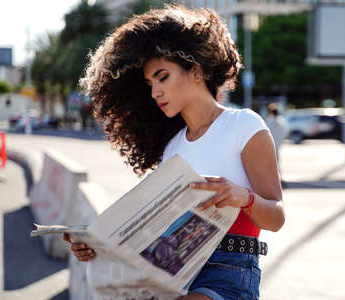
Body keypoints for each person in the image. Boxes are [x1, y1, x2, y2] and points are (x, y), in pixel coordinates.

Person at [63, 4, 285, 300]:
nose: (155, 92)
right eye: (150, 83)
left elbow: (276, 217)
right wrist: (99, 248)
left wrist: (244, 198)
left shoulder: (243, 125)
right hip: (174, 274)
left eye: (162, 77)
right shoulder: (173, 147)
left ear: (195, 70)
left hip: (229, 272)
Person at [265, 103, 288, 168]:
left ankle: (277, 174)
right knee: (276, 158)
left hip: (272, 142)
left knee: (273, 159)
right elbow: (285, 131)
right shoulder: (281, 120)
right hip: (278, 142)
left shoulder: (269, 120)